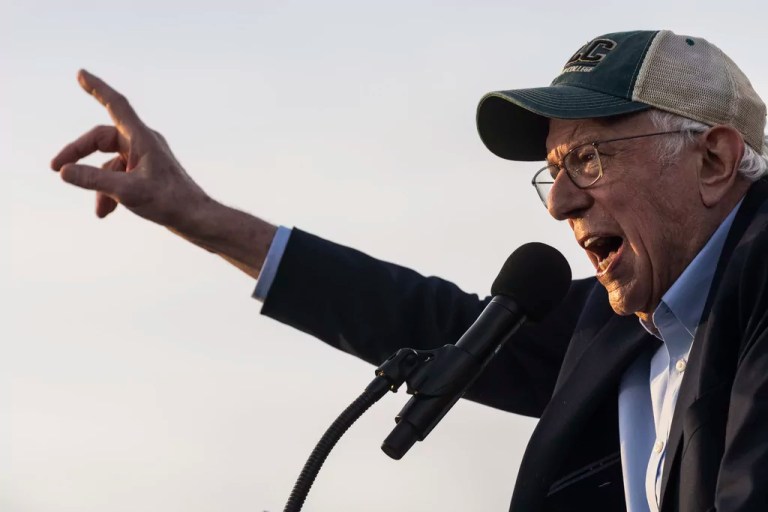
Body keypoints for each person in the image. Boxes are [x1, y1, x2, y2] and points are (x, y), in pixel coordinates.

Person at [51, 30, 768, 512]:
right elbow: (432, 326)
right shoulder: (617, 329)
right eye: (552, 172)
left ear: (712, 160)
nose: (561, 205)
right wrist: (196, 214)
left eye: (589, 158)